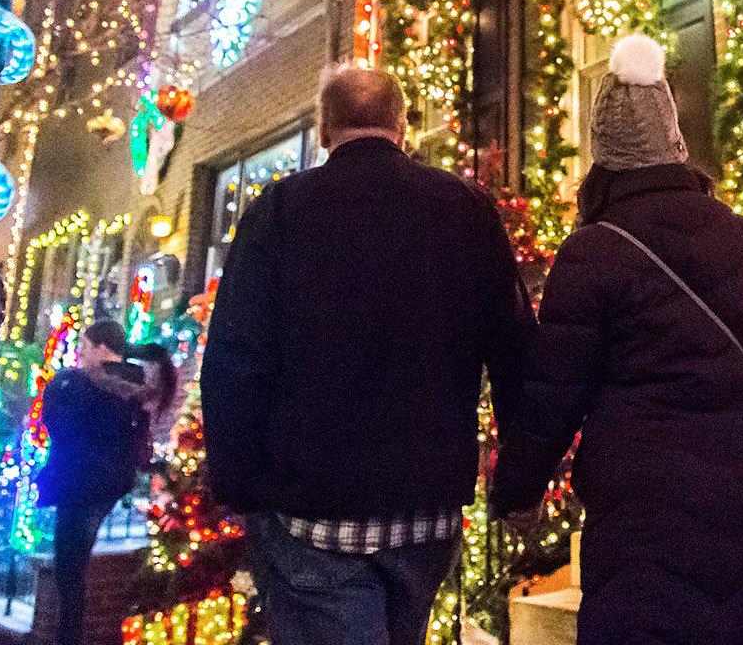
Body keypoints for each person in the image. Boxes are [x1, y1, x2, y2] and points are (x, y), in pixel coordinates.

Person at [491, 34, 743, 645]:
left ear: (604, 158)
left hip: (640, 510)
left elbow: (553, 396)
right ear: (676, 139)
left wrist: (517, 490)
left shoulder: (590, 254)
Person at [202, 64, 533, 645]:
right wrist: (521, 478)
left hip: (312, 512)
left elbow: (235, 360)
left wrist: (237, 486)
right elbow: (513, 351)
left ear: (324, 130)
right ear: (402, 126)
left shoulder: (279, 211)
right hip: (427, 507)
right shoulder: (465, 209)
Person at [37, 318, 176, 645]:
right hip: (111, 485)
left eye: (84, 346)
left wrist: (60, 386)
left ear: (101, 348)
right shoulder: (136, 386)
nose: (80, 353)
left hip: (79, 485)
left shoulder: (78, 384)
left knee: (69, 575)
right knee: (73, 572)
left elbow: (55, 422)